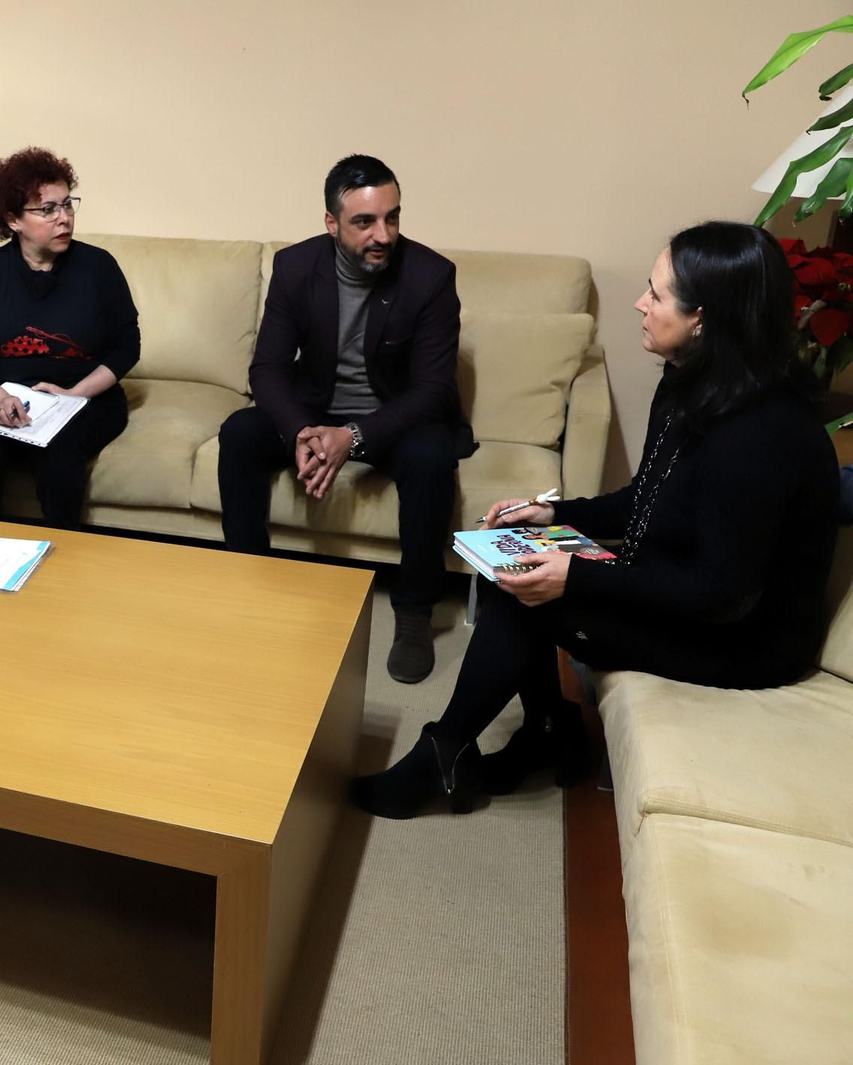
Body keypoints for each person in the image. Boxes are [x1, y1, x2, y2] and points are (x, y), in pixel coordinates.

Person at [349, 221, 841, 819]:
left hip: (744, 641)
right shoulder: (692, 382)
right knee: (522, 552)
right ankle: (546, 733)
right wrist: (552, 512)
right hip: (687, 586)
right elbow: (648, 499)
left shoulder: (761, 436)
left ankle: (450, 753)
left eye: (657, 296)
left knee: (527, 594)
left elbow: (723, 594)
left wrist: (576, 576)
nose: (640, 304)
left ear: (704, 319)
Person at [217, 155, 471, 685]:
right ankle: (247, 578)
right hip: (317, 410)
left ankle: (414, 611)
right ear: (331, 223)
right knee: (240, 432)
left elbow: (432, 390)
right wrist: (303, 432)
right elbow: (266, 368)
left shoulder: (430, 276)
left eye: (392, 217)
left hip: (394, 417)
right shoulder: (295, 268)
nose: (384, 234)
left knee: (431, 456)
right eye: (365, 222)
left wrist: (351, 437)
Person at [0, 147, 139, 527]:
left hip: (84, 398)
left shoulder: (99, 267)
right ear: (13, 219)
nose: (64, 218)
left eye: (67, 205)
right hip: (2, 397)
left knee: (59, 451)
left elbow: (126, 346)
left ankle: (63, 558)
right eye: (48, 209)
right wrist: (0, 398)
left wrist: (73, 395)